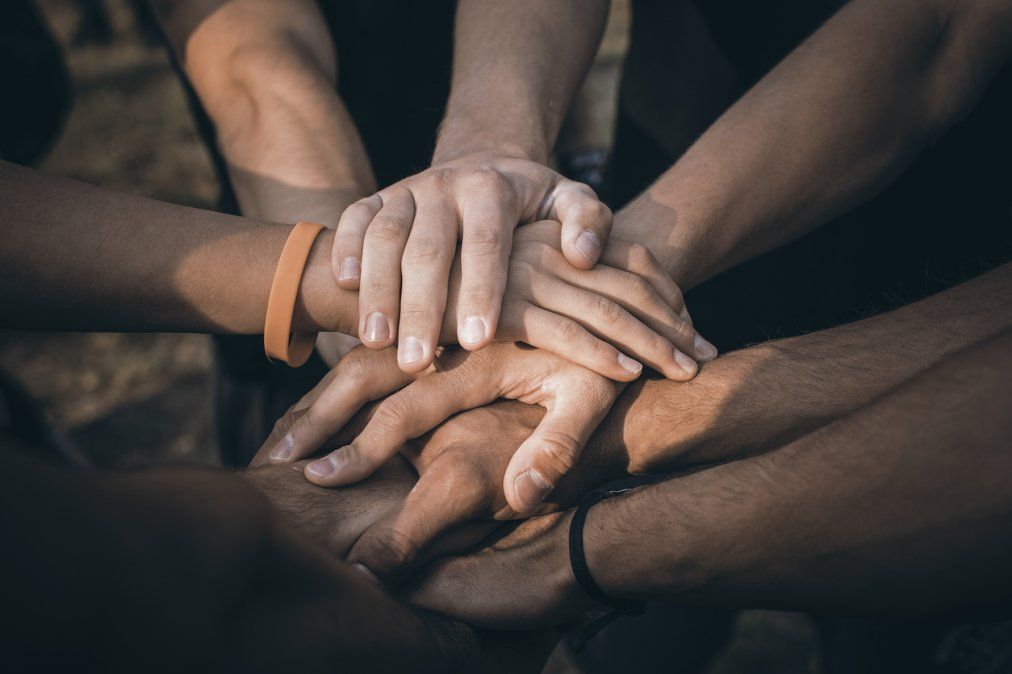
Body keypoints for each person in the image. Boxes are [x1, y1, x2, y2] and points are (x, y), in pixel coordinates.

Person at [150, 0, 717, 464]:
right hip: (307, 283)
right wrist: (373, 329)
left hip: (519, 246)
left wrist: (495, 162)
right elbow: (260, 76)